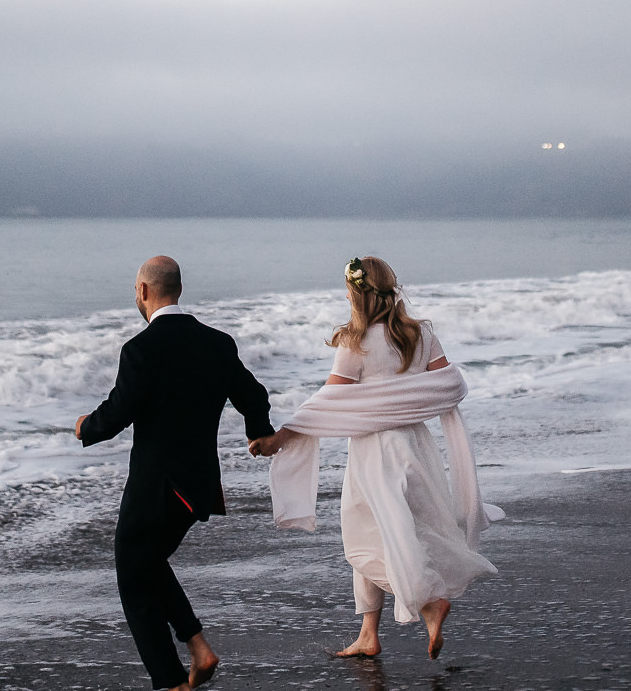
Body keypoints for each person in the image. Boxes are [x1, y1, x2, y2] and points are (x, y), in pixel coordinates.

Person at [250, 256, 497, 661]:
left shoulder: (356, 342)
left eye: (348, 291)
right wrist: (404, 400)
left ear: (356, 294)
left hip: (375, 454)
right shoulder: (421, 334)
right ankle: (368, 634)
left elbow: (327, 401)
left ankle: (429, 602)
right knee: (398, 531)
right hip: (417, 447)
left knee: (363, 542)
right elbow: (449, 383)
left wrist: (280, 438)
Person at [77, 255, 276, 691]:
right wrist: (259, 433)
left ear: (143, 291)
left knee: (134, 574)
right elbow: (254, 394)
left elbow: (117, 414)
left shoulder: (140, 349)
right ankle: (198, 648)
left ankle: (171, 681)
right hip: (199, 488)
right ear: (179, 289)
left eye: (136, 290)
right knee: (146, 563)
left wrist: (85, 427)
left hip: (157, 488)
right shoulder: (217, 343)